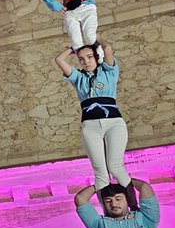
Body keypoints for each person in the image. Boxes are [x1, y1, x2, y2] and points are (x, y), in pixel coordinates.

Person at [56, 37, 134, 208]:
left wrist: (93, 38)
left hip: (113, 123)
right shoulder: (78, 78)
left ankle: (133, 206)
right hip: (90, 127)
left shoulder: (108, 72)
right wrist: (72, 49)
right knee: (100, 172)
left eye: (89, 57)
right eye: (81, 59)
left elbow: (108, 48)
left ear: (96, 57)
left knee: (115, 166)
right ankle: (108, 211)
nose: (86, 62)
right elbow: (59, 60)